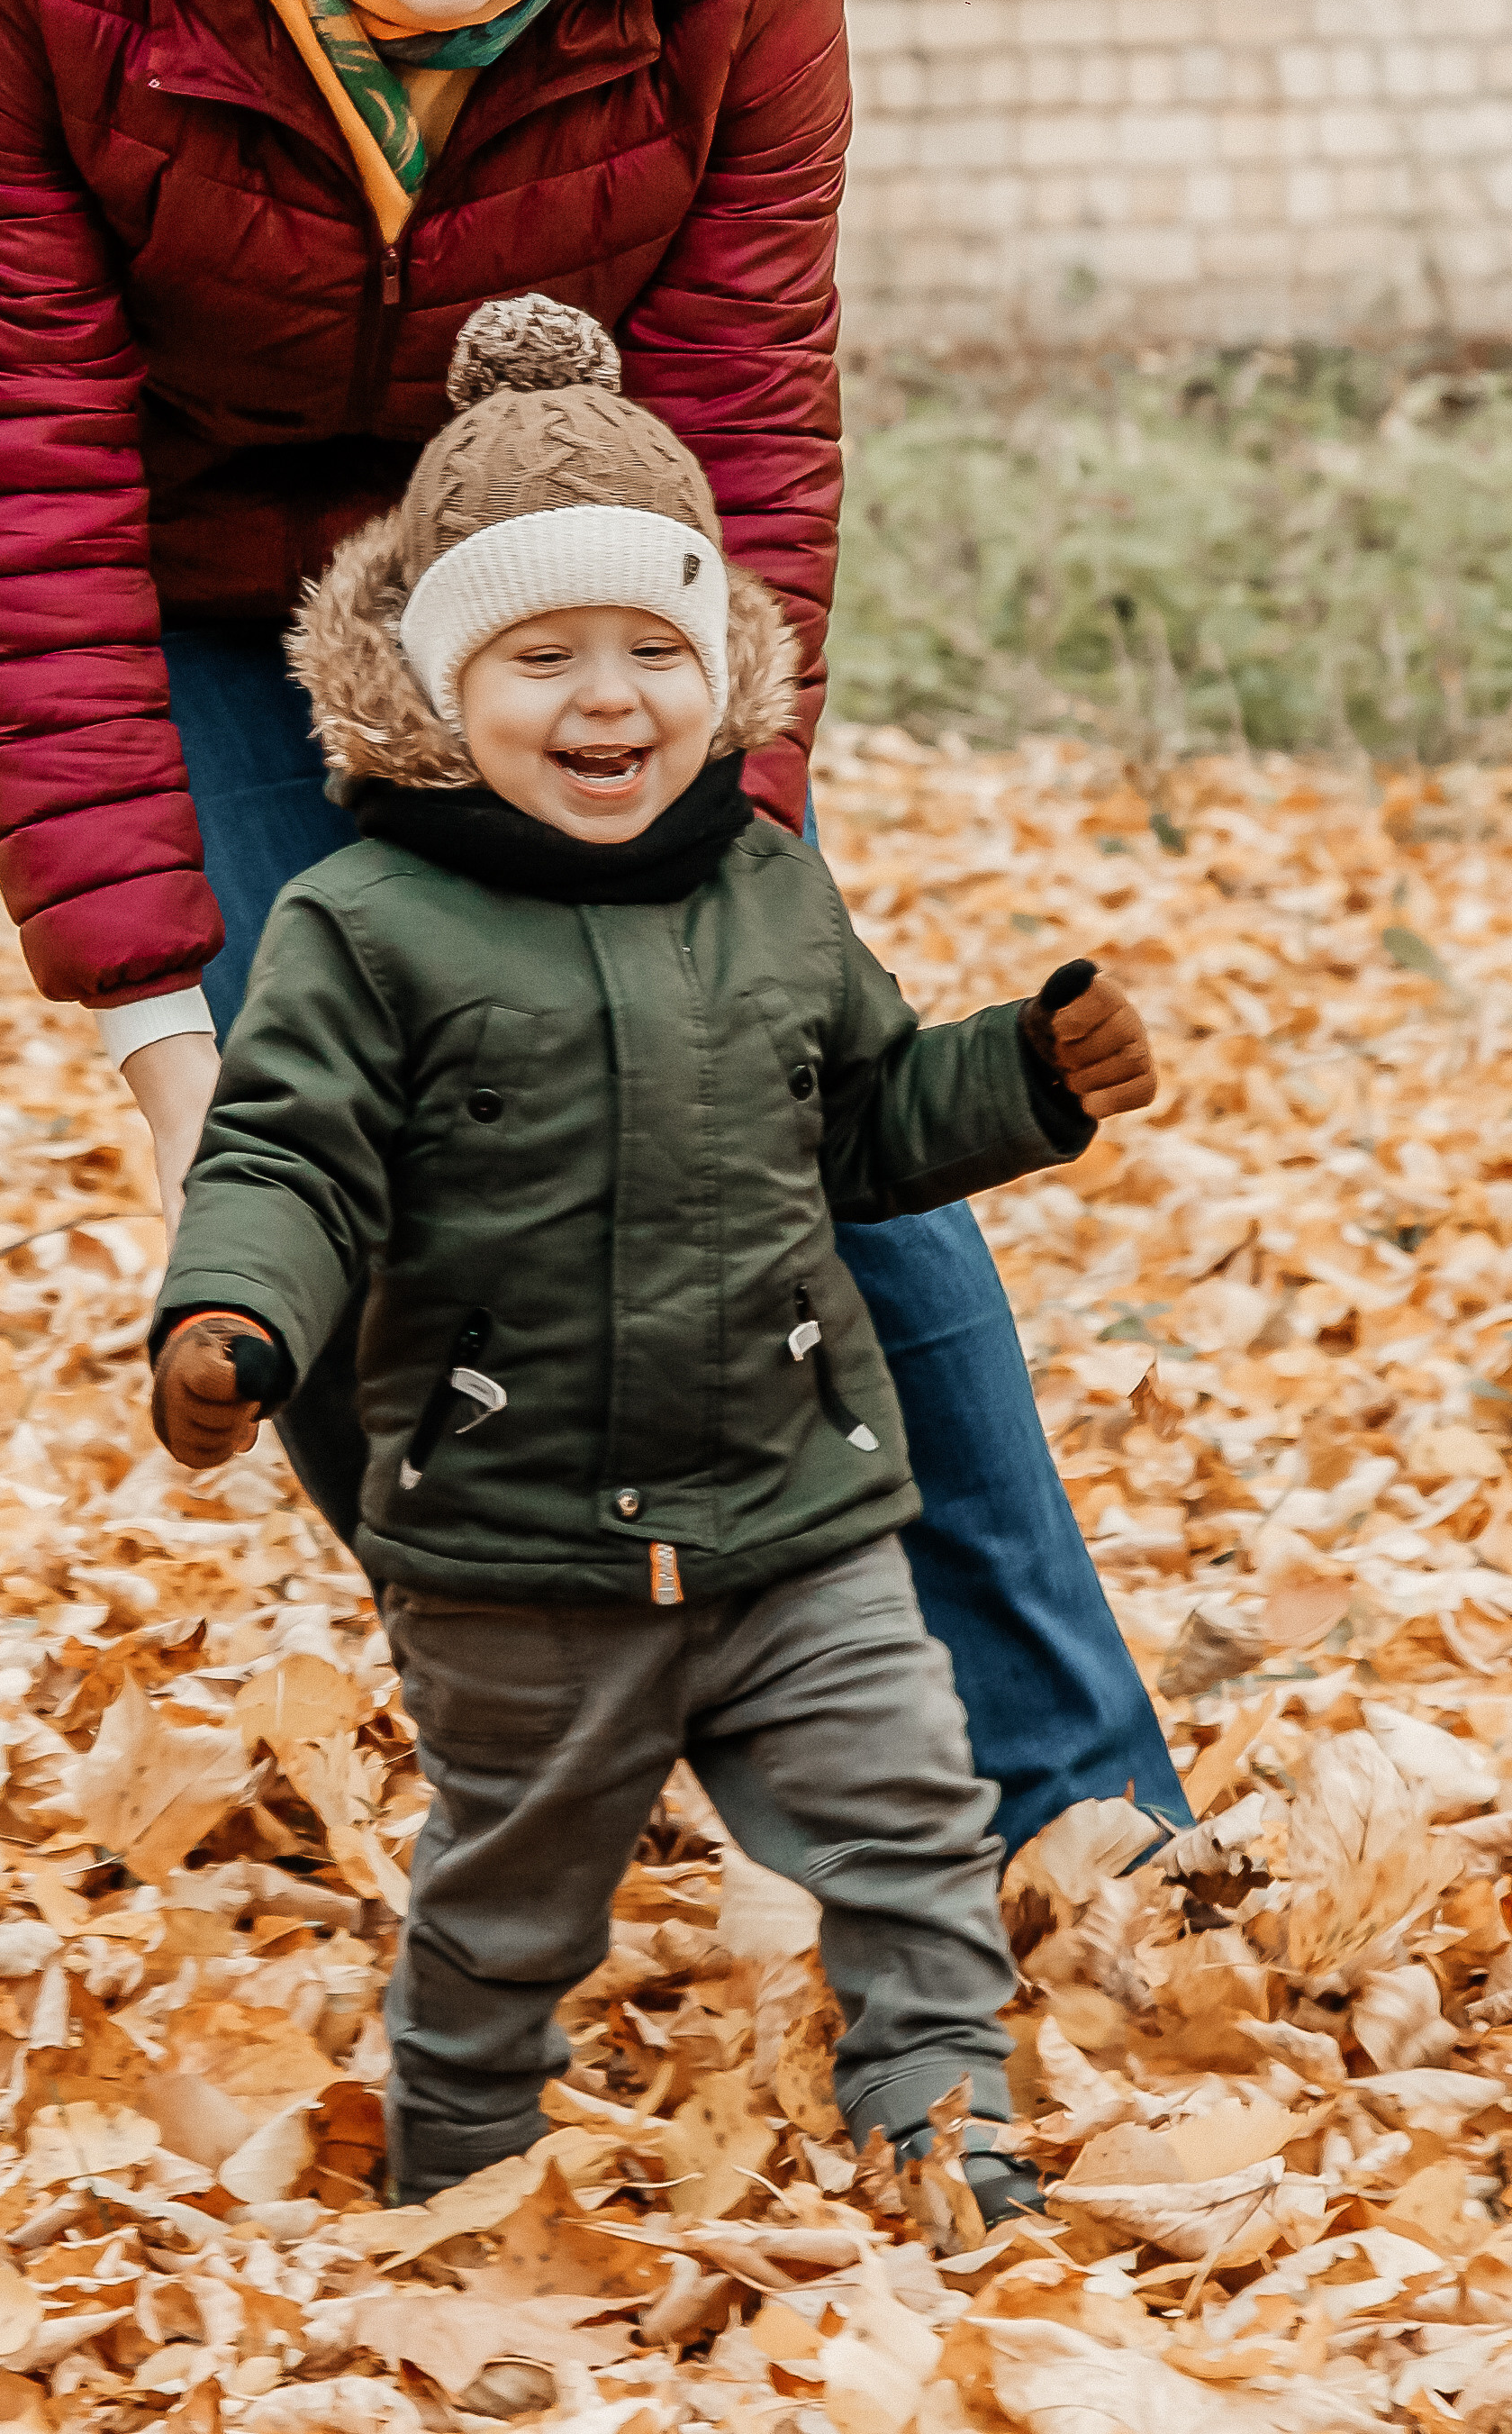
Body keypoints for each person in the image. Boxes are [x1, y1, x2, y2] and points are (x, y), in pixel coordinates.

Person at [0, 0, 1188, 1859]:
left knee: (783, 1106)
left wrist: (723, 861)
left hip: (569, 536)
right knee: (324, 1179)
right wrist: (168, 1038)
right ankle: (638, 1740)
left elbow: (743, 402)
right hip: (191, 578)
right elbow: (12, 458)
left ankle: (1061, 1802)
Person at [147, 298, 1161, 2209]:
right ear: (439, 690)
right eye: (538, 657)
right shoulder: (360, 926)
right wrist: (232, 1314)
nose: (606, 699)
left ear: (719, 670)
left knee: (907, 1827)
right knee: (512, 1909)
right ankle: (454, 2170)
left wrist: (1024, 1076)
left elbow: (862, 1120)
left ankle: (949, 2137)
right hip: (517, 1547)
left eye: (649, 649)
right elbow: (284, 1155)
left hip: (792, 1511)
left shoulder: (764, 889)